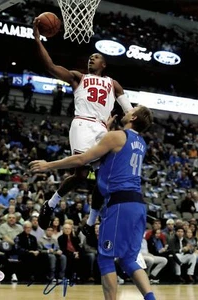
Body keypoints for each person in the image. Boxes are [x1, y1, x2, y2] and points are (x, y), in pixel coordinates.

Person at [30, 105, 156, 300]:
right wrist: (104, 131)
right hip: (138, 204)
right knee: (129, 259)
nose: (127, 111)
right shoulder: (140, 142)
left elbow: (82, 159)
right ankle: (150, 298)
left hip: (120, 203)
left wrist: (49, 165)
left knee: (105, 259)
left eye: (132, 111)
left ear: (134, 118)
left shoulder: (117, 136)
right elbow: (113, 159)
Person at [32, 18, 133, 231]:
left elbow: (130, 112)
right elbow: (50, 66)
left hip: (102, 128)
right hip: (82, 124)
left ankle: (89, 223)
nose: (92, 59)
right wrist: (37, 38)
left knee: (105, 176)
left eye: (96, 57)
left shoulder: (113, 83)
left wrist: (131, 124)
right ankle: (50, 205)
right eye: (90, 57)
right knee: (79, 174)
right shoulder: (79, 78)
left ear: (104, 64)